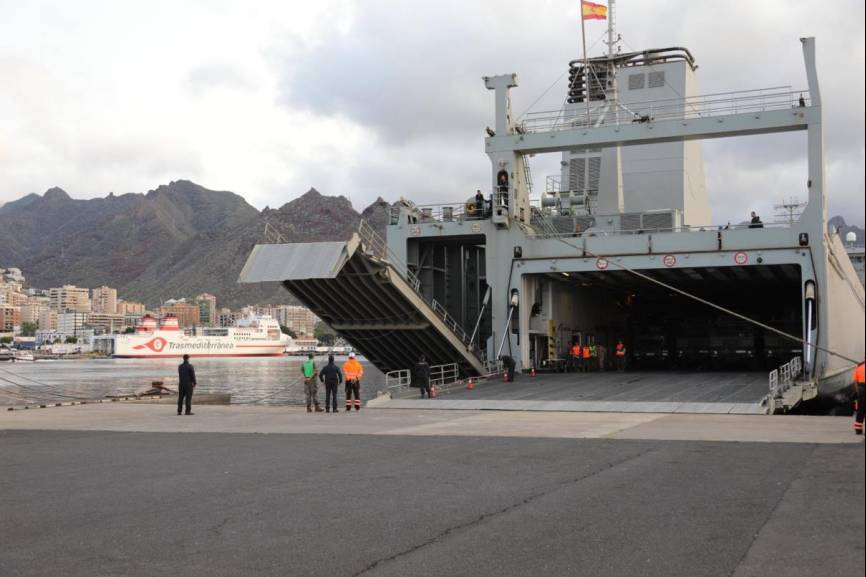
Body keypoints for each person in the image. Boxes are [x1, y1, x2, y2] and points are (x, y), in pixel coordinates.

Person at [854, 362, 865, 435]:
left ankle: (858, 429)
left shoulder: (858, 368)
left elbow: (855, 381)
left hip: (861, 389)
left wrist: (857, 391)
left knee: (860, 409)